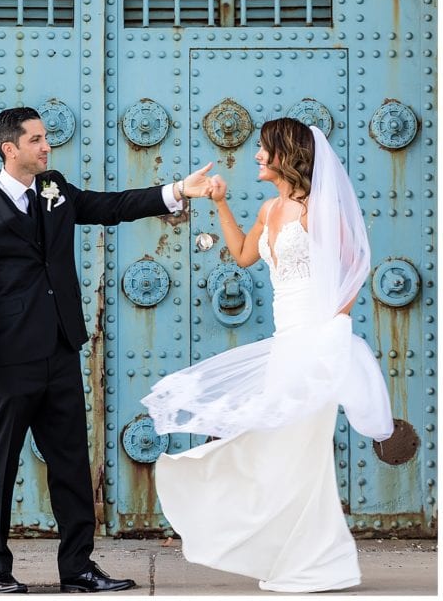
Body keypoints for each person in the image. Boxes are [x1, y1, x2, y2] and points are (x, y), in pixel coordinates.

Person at [0, 105, 215, 594]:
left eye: (45, 138)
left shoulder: (54, 190)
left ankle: (78, 569)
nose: (46, 146)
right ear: (10, 149)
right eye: (36, 140)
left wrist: (175, 191)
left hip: (61, 351)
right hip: (7, 360)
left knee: (71, 465)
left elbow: (107, 207)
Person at [143, 118, 394, 593]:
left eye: (263, 149)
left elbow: (354, 269)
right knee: (276, 452)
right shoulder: (269, 208)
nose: (257, 156)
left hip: (316, 345)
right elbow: (240, 254)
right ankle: (293, 555)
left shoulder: (317, 209)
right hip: (285, 347)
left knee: (301, 454)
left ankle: (317, 562)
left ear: (285, 156)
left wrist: (333, 330)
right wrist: (219, 205)